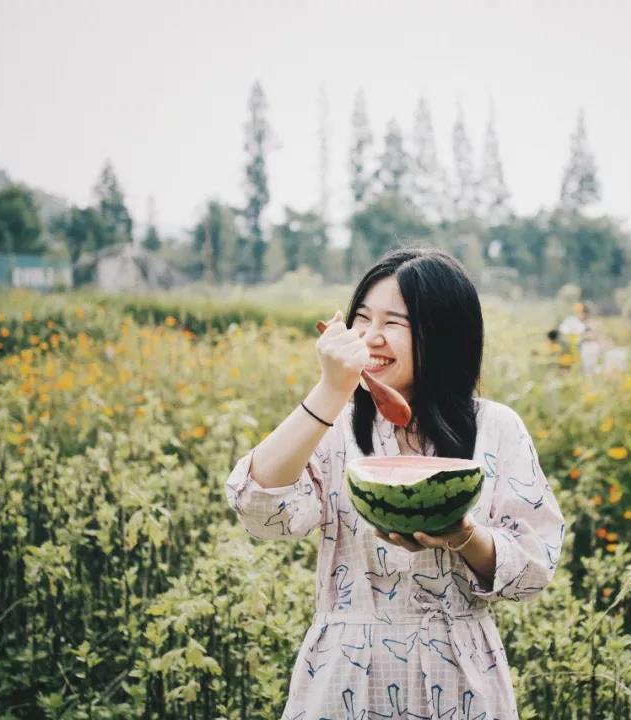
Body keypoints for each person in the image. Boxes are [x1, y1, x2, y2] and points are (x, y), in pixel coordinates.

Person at [224, 247, 565, 719]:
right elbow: (261, 512)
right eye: (361, 319)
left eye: (393, 323)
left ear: (442, 335)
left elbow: (532, 566)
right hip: (346, 672)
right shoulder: (334, 426)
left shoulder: (496, 428)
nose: (370, 337)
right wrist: (329, 390)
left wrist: (465, 537)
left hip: (460, 674)